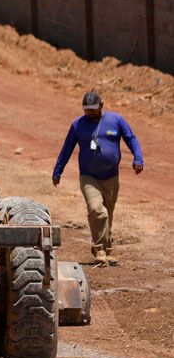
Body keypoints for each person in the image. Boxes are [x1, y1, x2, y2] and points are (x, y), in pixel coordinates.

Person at [52, 91, 144, 267]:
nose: (90, 113)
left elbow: (131, 139)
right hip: (88, 177)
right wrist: (58, 171)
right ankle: (100, 249)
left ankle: (107, 250)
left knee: (107, 213)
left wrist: (138, 159)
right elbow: (66, 149)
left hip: (111, 177)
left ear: (101, 106)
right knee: (96, 210)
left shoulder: (116, 120)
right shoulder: (78, 125)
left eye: (93, 109)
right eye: (86, 110)